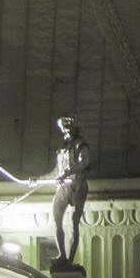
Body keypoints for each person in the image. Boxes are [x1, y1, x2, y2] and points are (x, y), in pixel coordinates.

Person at [51, 115, 90, 269]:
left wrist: (67, 173)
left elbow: (84, 162)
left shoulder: (81, 145)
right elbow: (56, 170)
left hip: (78, 185)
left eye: (68, 125)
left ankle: (70, 260)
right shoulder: (62, 147)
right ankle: (62, 255)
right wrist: (35, 179)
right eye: (63, 126)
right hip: (63, 186)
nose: (66, 128)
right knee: (56, 219)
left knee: (74, 222)